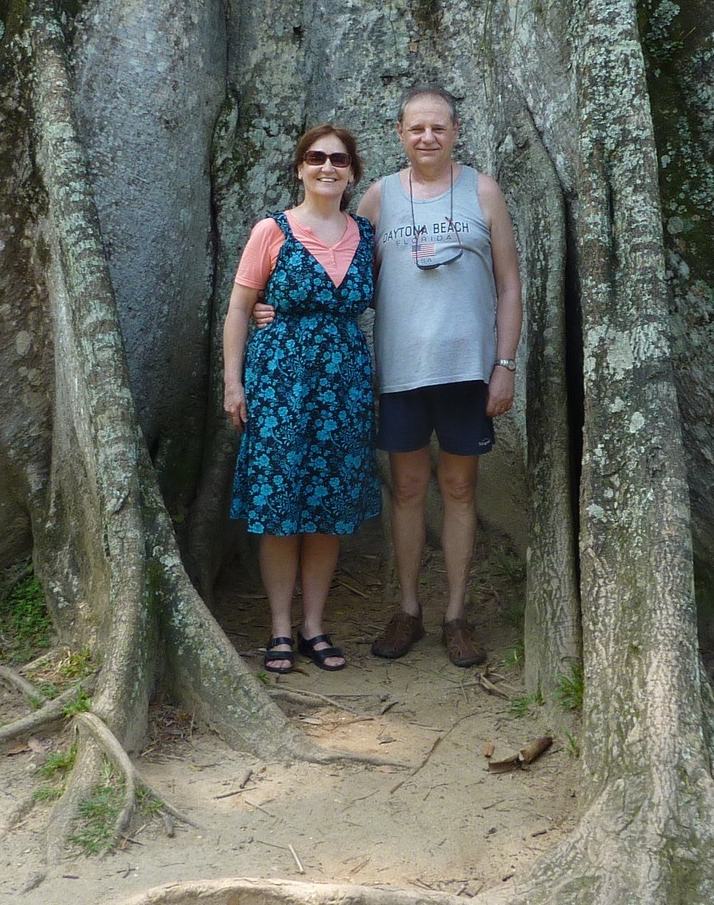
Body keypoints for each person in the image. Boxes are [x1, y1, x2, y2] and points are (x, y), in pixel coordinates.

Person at [359, 87, 522, 668]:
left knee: (458, 489)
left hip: (467, 372)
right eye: (416, 128)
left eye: (438, 127)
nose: (427, 137)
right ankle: (407, 609)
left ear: (455, 131)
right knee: (406, 489)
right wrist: (272, 306)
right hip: (401, 371)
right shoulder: (378, 197)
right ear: (400, 133)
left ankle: (456, 614)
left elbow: (509, 285)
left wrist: (503, 365)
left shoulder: (483, 191)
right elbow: (346, 278)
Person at [222, 125, 378, 675]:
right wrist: (233, 382)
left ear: (352, 173)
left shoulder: (366, 234)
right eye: (316, 157)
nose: (327, 167)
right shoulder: (272, 231)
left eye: (339, 159)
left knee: (327, 507)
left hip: (344, 389)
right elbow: (239, 307)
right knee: (280, 505)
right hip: (280, 385)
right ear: (299, 168)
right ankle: (280, 628)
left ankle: (314, 625)